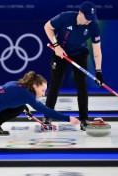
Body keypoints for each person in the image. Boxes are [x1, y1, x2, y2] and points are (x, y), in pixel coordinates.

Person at [43, 1, 104, 131]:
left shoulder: (94, 26)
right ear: (80, 13)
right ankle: (47, 116)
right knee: (55, 84)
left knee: (82, 85)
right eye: (87, 17)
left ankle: (84, 118)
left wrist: (98, 71)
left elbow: (97, 51)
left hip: (80, 54)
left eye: (91, 18)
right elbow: (47, 27)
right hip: (61, 53)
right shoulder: (65, 17)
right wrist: (56, 46)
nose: (89, 21)